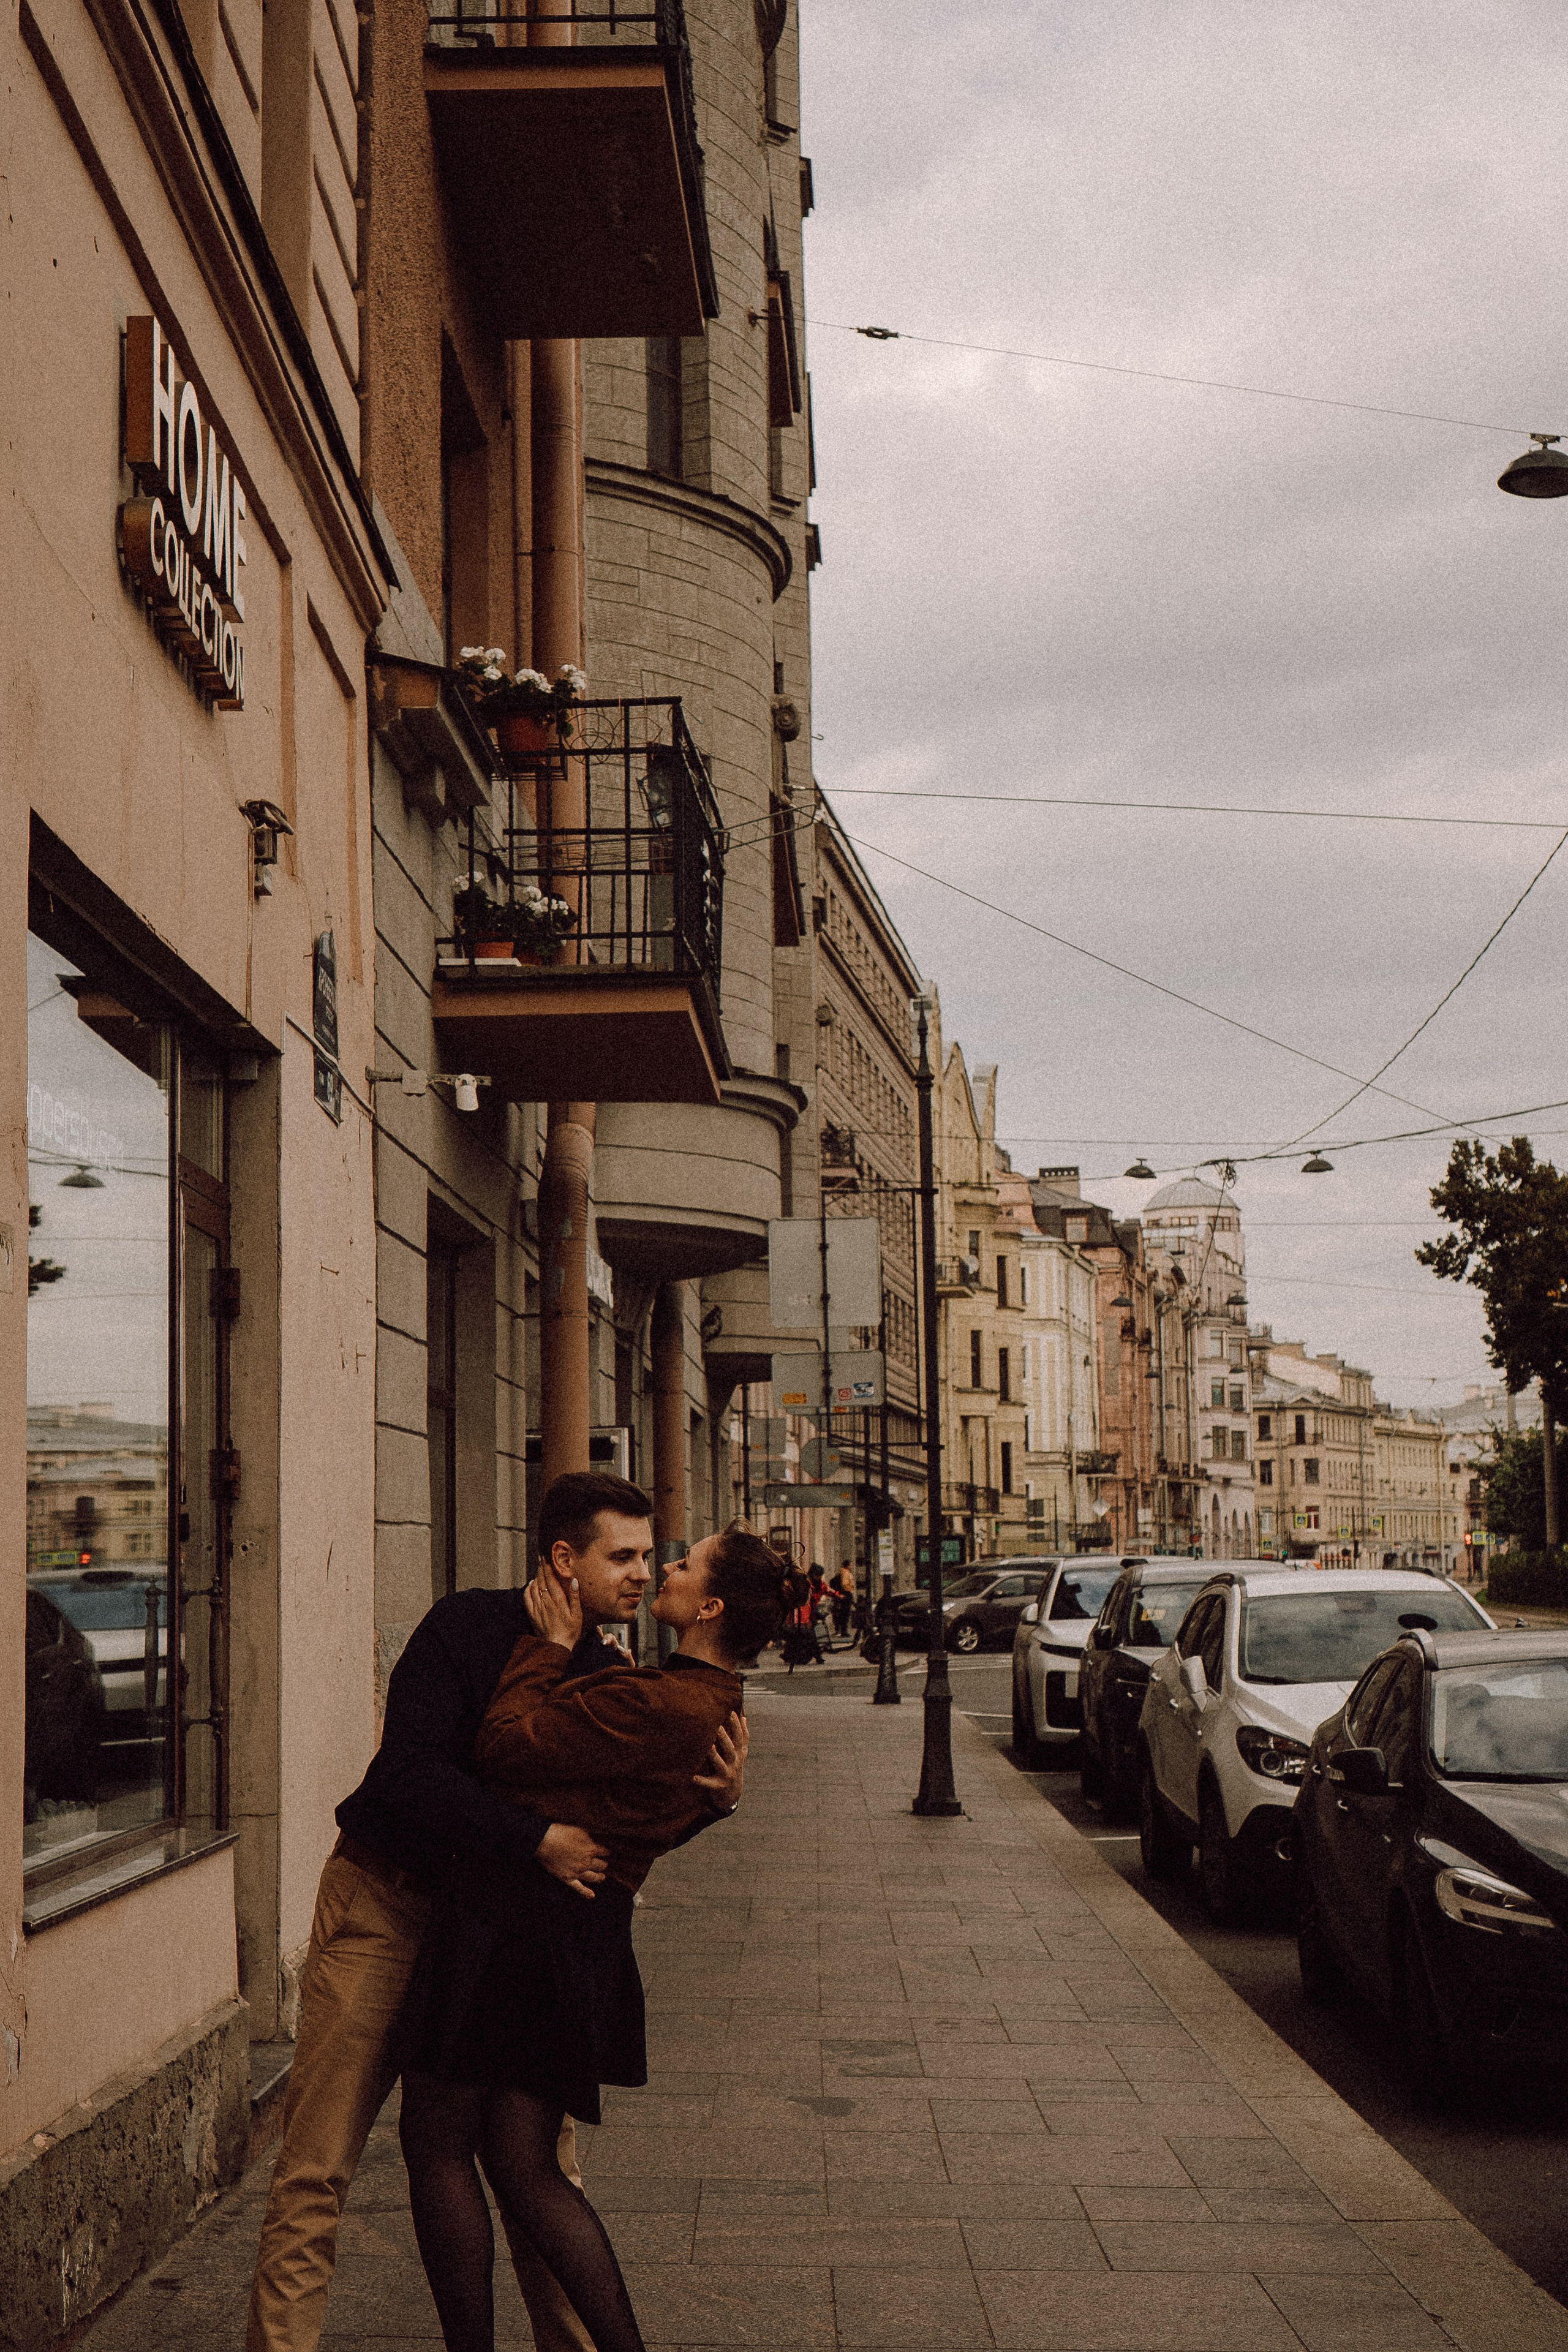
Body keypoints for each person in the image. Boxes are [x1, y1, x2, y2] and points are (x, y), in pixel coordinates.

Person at [244, 1472, 746, 2352]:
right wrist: (534, 1839)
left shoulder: (606, 1666)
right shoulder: (464, 1626)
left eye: (650, 1557)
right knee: (317, 2171)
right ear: (564, 1557)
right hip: (387, 1910)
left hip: (493, 1940)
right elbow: (410, 1775)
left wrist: (711, 1803)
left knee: (535, 2169)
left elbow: (616, 1834)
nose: (642, 1573)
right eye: (621, 1556)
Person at [394, 1525, 805, 2352]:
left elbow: (501, 1742)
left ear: (710, 1607)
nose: (663, 1570)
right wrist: (717, 1807)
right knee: (521, 2163)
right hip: (572, 1939)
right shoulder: (711, 1706)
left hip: (509, 1931)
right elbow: (638, 1821)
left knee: (440, 2145)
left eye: (681, 1565)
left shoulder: (656, 1700)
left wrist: (546, 1649)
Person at [830, 1568, 854, 1641]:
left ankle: (840, 1631)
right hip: (841, 1599)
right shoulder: (841, 1580)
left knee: (840, 1616)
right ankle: (842, 1631)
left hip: (840, 1599)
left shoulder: (837, 1578)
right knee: (843, 1616)